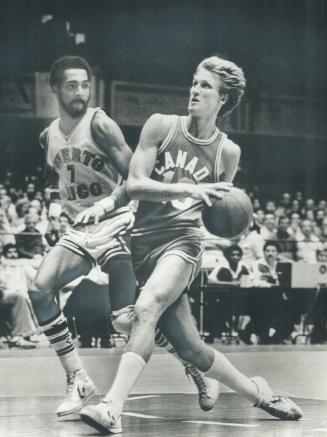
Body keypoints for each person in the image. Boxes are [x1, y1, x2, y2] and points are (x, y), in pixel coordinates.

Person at [80, 56, 302, 433]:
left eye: (205, 86)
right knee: (191, 349)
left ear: (223, 99)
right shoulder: (161, 126)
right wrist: (115, 202)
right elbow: (134, 184)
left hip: (183, 244)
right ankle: (261, 394)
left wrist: (230, 221)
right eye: (195, 82)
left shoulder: (227, 153)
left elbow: (221, 215)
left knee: (147, 306)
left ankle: (110, 407)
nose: (195, 90)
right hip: (142, 244)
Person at [28, 55, 215, 418]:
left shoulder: (100, 124)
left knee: (126, 320)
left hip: (117, 224)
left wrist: (114, 209)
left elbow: (135, 178)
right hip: (79, 230)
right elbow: (66, 177)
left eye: (85, 84)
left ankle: (194, 366)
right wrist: (59, 208)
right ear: (54, 89)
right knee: (38, 289)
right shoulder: (46, 136)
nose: (80, 91)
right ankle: (78, 379)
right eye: (71, 85)